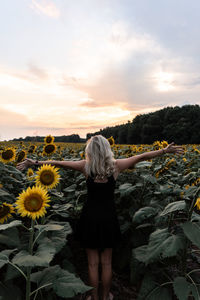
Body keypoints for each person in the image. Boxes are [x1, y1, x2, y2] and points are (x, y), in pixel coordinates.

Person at [16, 135, 184, 300]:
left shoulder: (86, 167)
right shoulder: (116, 166)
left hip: (90, 217)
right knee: (107, 263)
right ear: (107, 149)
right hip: (108, 218)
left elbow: (59, 164)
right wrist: (164, 151)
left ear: (90, 151)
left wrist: (36, 163)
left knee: (92, 263)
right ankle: (105, 296)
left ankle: (94, 296)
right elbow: (142, 156)